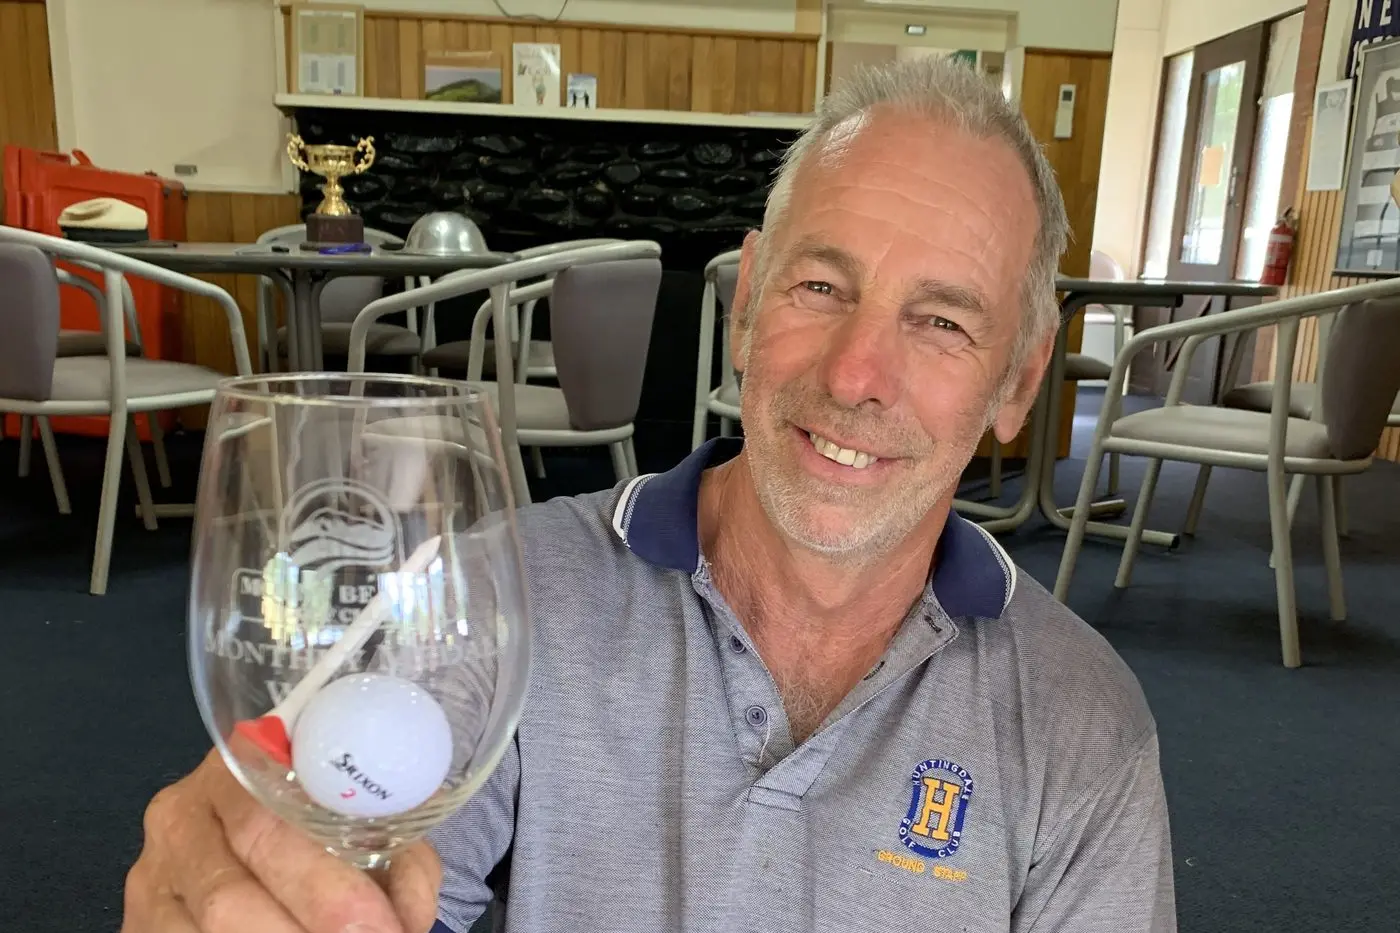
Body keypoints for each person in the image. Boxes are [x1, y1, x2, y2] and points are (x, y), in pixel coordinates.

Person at [123, 56, 1175, 933]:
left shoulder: (1082, 725)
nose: (856, 374)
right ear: (748, 302)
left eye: (941, 322)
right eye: (820, 286)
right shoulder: (501, 591)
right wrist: (258, 879)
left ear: (1018, 382)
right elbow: (345, 852)